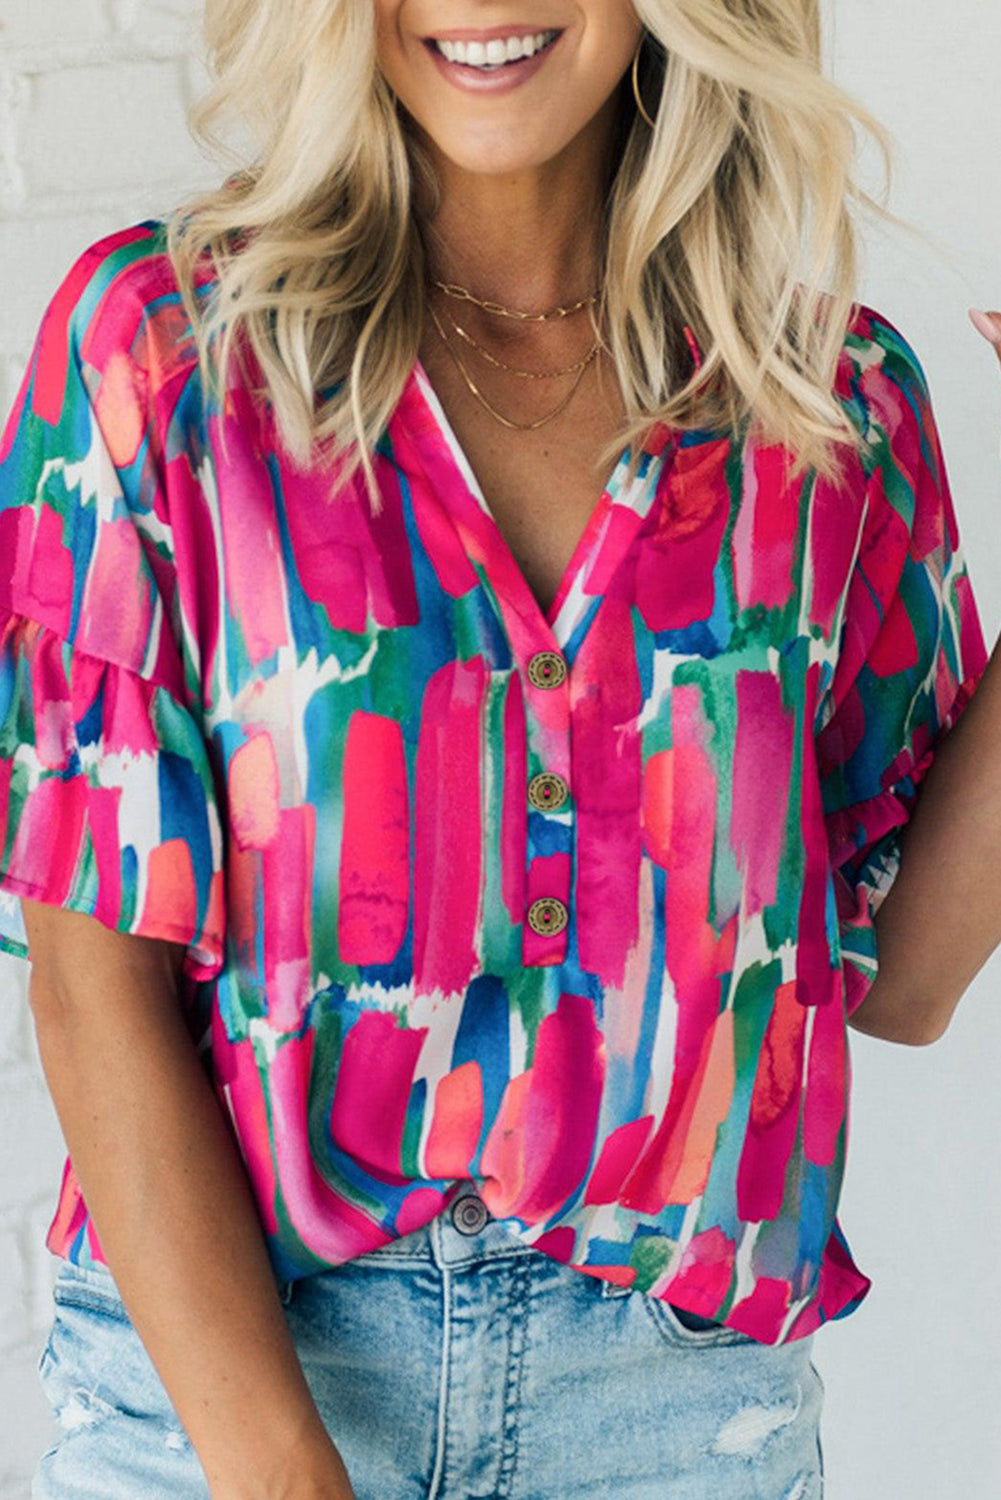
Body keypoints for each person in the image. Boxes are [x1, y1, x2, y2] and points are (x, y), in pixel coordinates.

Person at [0, 1, 994, 1496]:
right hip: (224, 1397)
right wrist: (283, 1472)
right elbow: (92, 986)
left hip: (673, 1425)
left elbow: (904, 979)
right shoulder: (163, 351)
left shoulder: (825, 402)